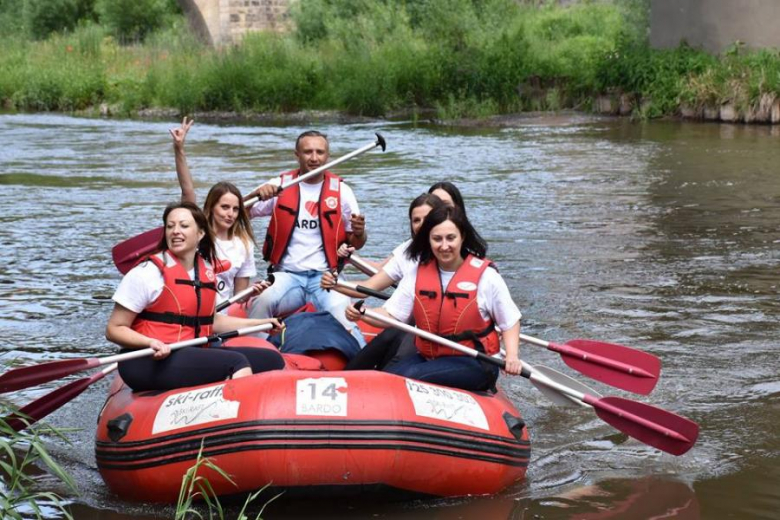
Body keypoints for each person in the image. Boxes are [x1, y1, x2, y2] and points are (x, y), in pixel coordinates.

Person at [106, 202, 285, 392]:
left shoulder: (205, 271)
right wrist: (150, 342)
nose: (175, 231)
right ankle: (232, 410)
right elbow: (114, 329)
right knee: (236, 362)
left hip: (190, 352)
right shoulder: (147, 273)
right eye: (170, 226)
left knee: (271, 359)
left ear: (200, 234)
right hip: (145, 360)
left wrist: (261, 323)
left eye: (183, 226)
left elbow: (211, 321)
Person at [346, 205, 523, 391]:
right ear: (428, 240)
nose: (444, 246)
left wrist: (511, 356)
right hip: (429, 357)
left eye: (451, 238)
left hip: (476, 362)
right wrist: (363, 313)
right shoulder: (417, 273)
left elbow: (510, 321)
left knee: (406, 379)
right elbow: (392, 315)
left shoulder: (486, 277)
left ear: (462, 237)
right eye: (437, 239)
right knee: (386, 378)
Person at [245, 130, 368, 346]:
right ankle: (255, 353)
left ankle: (364, 361)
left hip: (325, 278)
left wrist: (359, 233)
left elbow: (355, 243)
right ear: (297, 155)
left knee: (343, 311)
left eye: (319, 152)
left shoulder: (342, 191)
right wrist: (255, 196)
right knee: (264, 300)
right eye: (308, 152)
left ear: (327, 156)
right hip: (287, 276)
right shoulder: (279, 185)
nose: (314, 158)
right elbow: (237, 212)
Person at [170, 117, 269, 309]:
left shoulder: (244, 244)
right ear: (211, 207)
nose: (230, 214)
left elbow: (239, 298)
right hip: (188, 310)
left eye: (235, 209)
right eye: (224, 207)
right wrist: (179, 149)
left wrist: (253, 292)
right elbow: (187, 191)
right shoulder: (196, 232)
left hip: (220, 315)